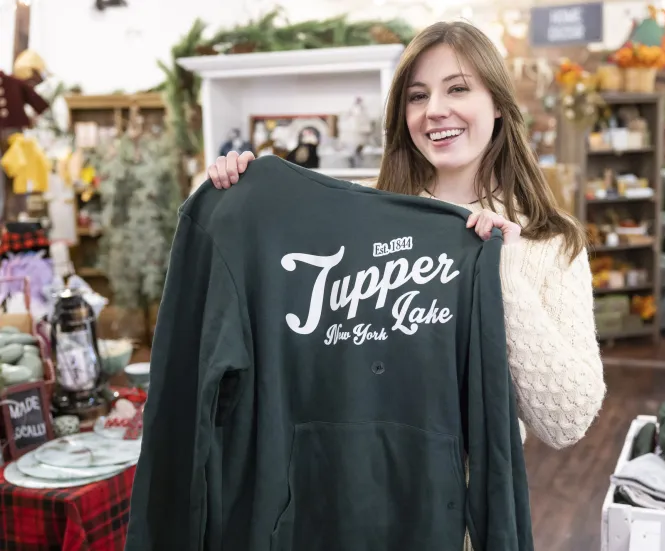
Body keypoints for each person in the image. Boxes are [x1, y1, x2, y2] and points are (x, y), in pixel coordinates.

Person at [207, 21, 605, 453]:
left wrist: (502, 276)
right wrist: (242, 193)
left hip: (464, 512)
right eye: (418, 96)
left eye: (457, 89)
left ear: (497, 104)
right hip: (351, 490)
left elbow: (568, 421)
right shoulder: (361, 224)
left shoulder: (550, 243)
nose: (434, 109)